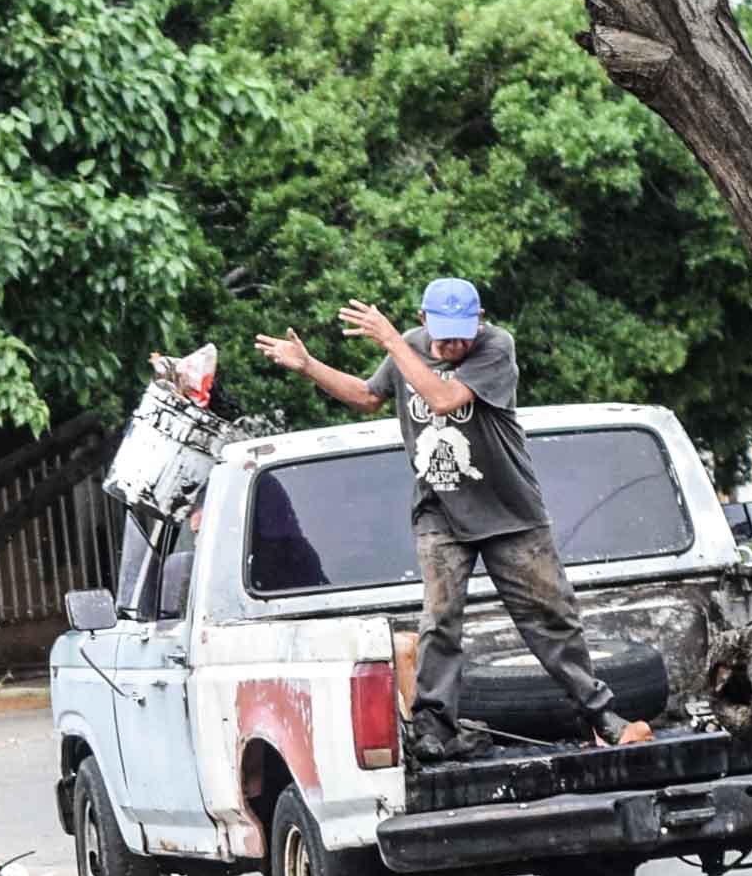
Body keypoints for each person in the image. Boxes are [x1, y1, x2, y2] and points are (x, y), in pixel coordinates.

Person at [254, 278, 654, 760]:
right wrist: (309, 365)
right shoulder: (411, 346)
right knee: (440, 618)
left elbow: (443, 399)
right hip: (439, 512)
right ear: (423, 322)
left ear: (480, 320)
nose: (453, 344)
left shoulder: (495, 349)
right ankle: (433, 726)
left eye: (462, 333)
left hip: (510, 511)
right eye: (443, 335)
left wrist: (392, 342)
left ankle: (599, 714)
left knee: (551, 615)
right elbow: (366, 396)